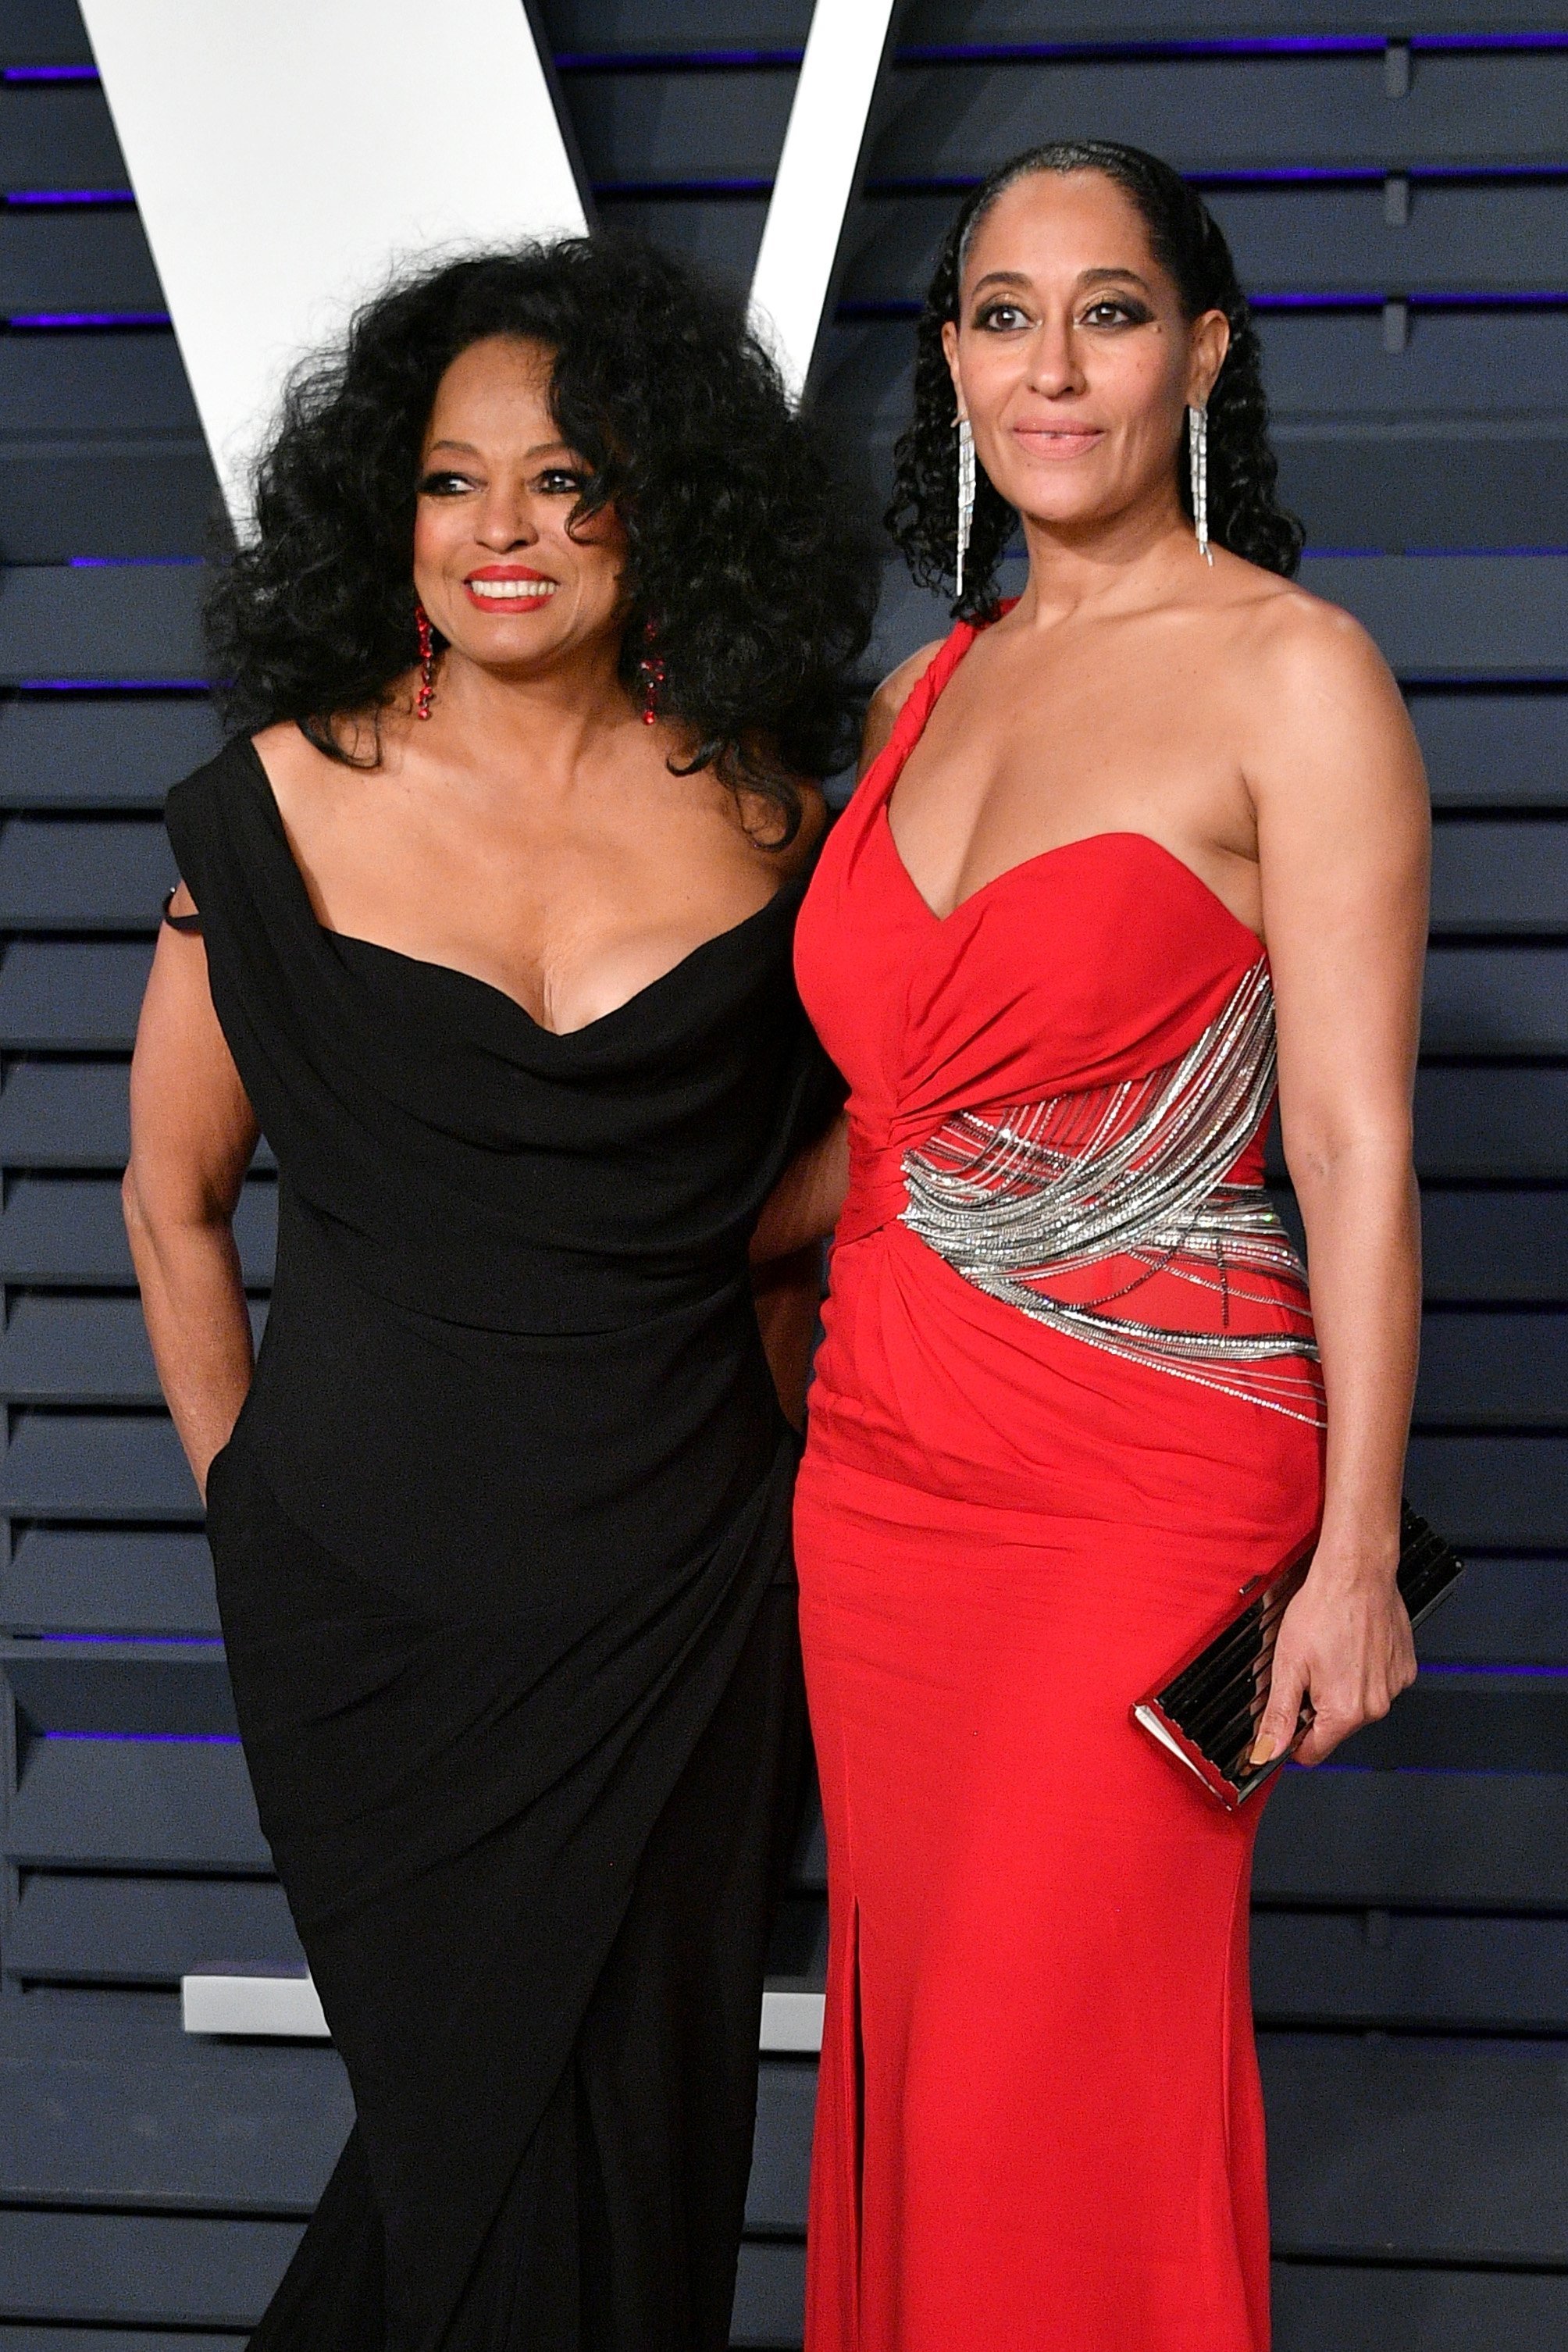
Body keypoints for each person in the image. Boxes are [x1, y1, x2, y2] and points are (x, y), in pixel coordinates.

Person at [123, 237, 875, 2352]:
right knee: (470, 2149)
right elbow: (172, 1201)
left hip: (682, 1610)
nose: (505, 535)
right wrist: (248, 1510)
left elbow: (803, 1201)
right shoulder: (268, 809)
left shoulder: (771, 822)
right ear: (393, 512)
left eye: (566, 479)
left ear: (666, 505)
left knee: (631, 2176)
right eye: (455, 484)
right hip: (367, 1613)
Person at [782, 141, 1429, 2350]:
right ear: (951, 359)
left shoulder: (1296, 675)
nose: (1052, 365)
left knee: (1065, 2106)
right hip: (876, 1493)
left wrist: (1353, 1551)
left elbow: (1351, 1137)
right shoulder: (914, 698)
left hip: (1143, 1493)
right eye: (1000, 314)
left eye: (1113, 310)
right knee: (930, 2077)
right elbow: (889, 1123)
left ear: (1206, 351)